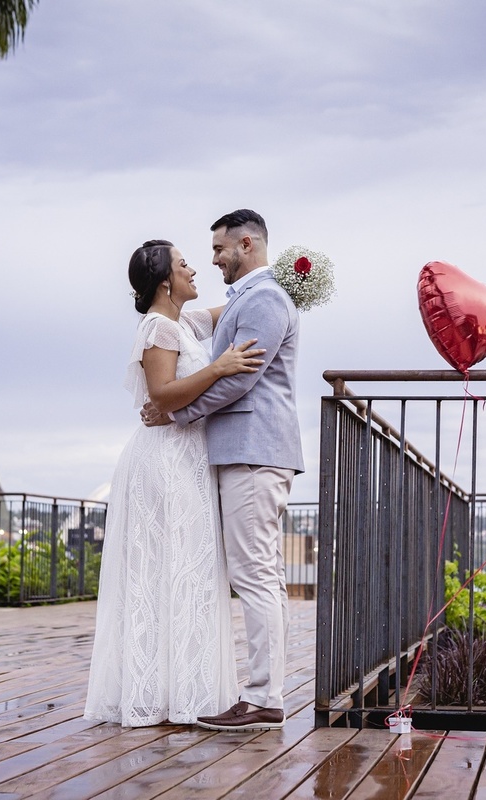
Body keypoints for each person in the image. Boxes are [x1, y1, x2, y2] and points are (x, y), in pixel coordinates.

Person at [83, 239, 266, 727]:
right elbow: (162, 394)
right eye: (184, 263)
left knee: (190, 573)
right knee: (170, 571)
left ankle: (183, 688)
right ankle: (158, 693)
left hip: (187, 458)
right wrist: (219, 366)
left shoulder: (184, 321)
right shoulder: (159, 327)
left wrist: (289, 277)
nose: (194, 268)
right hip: (163, 465)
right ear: (165, 280)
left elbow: (240, 304)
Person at [143, 209, 304, 731]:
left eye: (219, 250)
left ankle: (262, 698)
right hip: (246, 450)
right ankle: (265, 692)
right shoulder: (251, 298)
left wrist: (176, 413)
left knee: (254, 574)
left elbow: (240, 382)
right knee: (259, 573)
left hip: (254, 450)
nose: (212, 260)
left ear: (248, 245)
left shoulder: (265, 299)